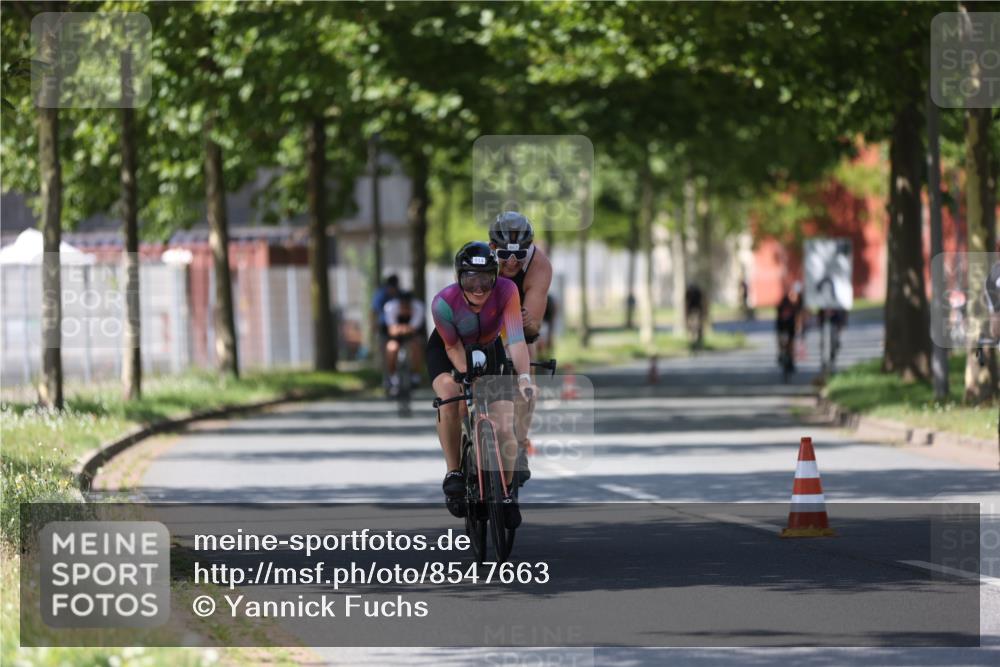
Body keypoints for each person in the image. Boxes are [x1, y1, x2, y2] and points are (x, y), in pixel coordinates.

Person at [427, 241, 535, 526]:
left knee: (503, 425)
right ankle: (454, 472)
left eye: (486, 279)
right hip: (450, 349)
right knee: (450, 396)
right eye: (470, 279)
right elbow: (451, 349)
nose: (478, 287)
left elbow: (515, 339)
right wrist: (469, 376)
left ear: (495, 277)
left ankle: (507, 492)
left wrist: (524, 377)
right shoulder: (443, 302)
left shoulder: (507, 292)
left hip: (489, 347)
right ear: (458, 277)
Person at [487, 212, 553, 485]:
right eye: (504, 254)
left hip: (518, 328)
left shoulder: (539, 265)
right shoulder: (479, 261)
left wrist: (526, 324)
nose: (512, 261)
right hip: (485, 323)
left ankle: (521, 444)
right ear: (492, 248)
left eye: (520, 254)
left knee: (527, 367)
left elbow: (532, 329)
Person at [382, 290, 425, 393]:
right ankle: (393, 377)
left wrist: (401, 329)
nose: (405, 308)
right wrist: (404, 329)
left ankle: (415, 375)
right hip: (395, 337)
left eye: (407, 305)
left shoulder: (418, 307)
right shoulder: (390, 307)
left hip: (412, 336)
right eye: (402, 305)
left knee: (416, 347)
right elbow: (392, 330)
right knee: (391, 348)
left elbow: (414, 328)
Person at [371, 274, 400, 360]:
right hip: (383, 325)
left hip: (396, 325)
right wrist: (373, 324)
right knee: (384, 346)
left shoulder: (398, 293)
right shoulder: (380, 295)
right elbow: (374, 311)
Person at [776, 284, 803, 371]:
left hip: (791, 325)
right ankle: (781, 353)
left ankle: (790, 359)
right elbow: (779, 317)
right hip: (782, 324)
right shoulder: (783, 302)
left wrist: (798, 326)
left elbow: (798, 316)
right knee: (781, 339)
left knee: (791, 342)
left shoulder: (798, 304)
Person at [684, 284, 705, 349]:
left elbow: (686, 303)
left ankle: (694, 341)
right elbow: (702, 301)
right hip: (696, 310)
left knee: (694, 326)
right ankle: (696, 341)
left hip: (693, 311)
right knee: (696, 326)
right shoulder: (698, 292)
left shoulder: (689, 292)